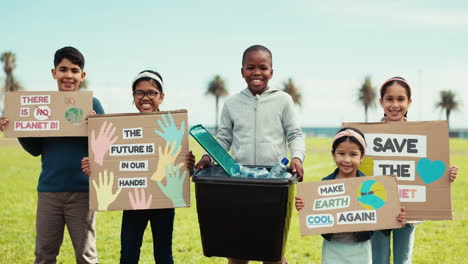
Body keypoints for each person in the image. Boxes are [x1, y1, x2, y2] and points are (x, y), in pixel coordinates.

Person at [195, 45, 306, 264]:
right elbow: (223, 138)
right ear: (242, 71)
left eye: (263, 67)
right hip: (238, 182)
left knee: (272, 251)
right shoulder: (231, 103)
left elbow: (294, 134)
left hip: (273, 183)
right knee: (237, 250)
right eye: (250, 67)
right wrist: (208, 156)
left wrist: (297, 157)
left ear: (271, 72)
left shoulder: (283, 100)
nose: (256, 72)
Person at [0, 46, 103, 264]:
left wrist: (96, 126)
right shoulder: (43, 106)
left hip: (83, 193)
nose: (68, 75)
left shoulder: (92, 105)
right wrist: (18, 128)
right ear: (53, 73)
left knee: (86, 256)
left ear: (82, 76)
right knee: (44, 255)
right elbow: (35, 149)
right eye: (63, 69)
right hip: (49, 193)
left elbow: (106, 148)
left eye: (74, 70)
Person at [82, 70, 195, 264]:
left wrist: (188, 164)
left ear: (161, 96)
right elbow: (111, 160)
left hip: (163, 200)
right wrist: (93, 165)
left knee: (163, 255)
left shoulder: (171, 126)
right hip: (133, 201)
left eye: (151, 92)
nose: (145, 98)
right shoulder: (123, 127)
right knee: (128, 254)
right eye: (139, 93)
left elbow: (179, 166)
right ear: (133, 97)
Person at [371, 76, 459, 264]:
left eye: (401, 99)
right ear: (381, 102)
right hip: (377, 210)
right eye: (389, 99)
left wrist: (446, 175)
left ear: (409, 102)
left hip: (408, 213)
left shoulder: (422, 135)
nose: (395, 104)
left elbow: (430, 172)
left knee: (403, 260)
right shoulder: (368, 136)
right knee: (378, 259)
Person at [295, 127, 406, 264]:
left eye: (353, 154)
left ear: (361, 157)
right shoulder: (325, 184)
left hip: (361, 248)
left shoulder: (370, 186)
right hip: (332, 247)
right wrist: (303, 207)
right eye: (341, 153)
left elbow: (380, 217)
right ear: (333, 154)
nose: (346, 160)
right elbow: (315, 214)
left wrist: (394, 217)